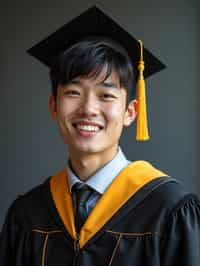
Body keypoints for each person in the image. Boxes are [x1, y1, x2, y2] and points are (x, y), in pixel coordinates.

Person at [0, 6, 200, 266]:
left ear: (131, 112)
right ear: (53, 106)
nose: (88, 109)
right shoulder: (27, 215)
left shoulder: (170, 210)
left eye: (106, 95)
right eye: (73, 92)